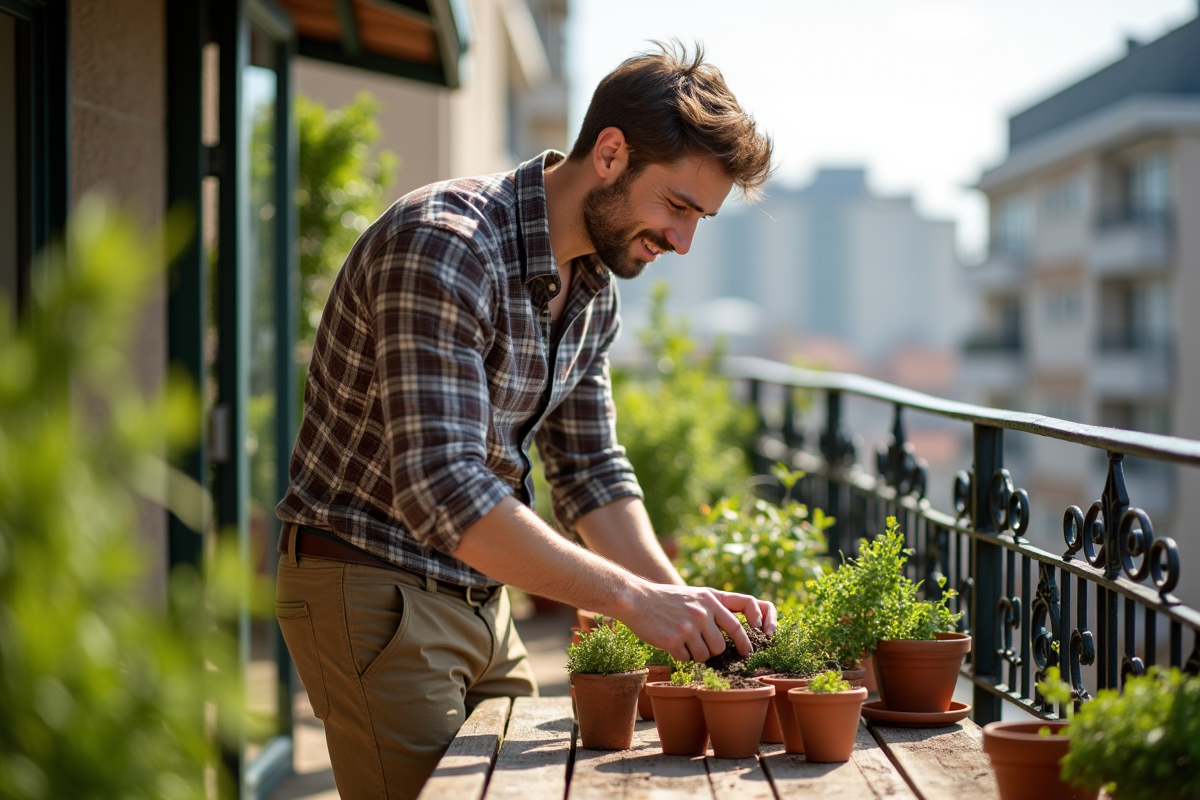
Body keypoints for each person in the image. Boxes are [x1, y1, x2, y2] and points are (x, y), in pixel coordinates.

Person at [274, 42, 775, 799]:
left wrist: (688, 613)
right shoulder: (444, 246)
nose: (682, 241)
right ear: (610, 153)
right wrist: (635, 603)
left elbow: (591, 473)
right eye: (676, 205)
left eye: (698, 217)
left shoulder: (593, 290)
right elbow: (443, 488)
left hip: (483, 596)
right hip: (373, 589)